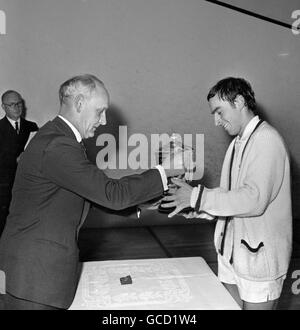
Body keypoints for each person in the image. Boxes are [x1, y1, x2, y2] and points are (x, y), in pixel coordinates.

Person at [0, 74, 184, 310]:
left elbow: (88, 192)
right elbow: (111, 193)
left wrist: (140, 204)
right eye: (100, 111)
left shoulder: (58, 137)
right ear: (79, 104)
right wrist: (166, 170)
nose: (104, 120)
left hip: (33, 273)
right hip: (34, 277)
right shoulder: (58, 145)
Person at [162, 77, 292, 310]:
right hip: (233, 257)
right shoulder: (237, 143)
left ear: (239, 101)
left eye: (219, 112)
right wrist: (194, 206)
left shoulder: (266, 140)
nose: (216, 121)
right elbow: (230, 195)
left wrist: (197, 196)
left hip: (259, 262)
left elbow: (253, 200)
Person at [0, 91, 38, 237]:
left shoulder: (32, 126)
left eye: (19, 103)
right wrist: (15, 160)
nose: (16, 107)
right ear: (4, 107)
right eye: (12, 104)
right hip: (4, 186)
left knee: (27, 220)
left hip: (28, 184)